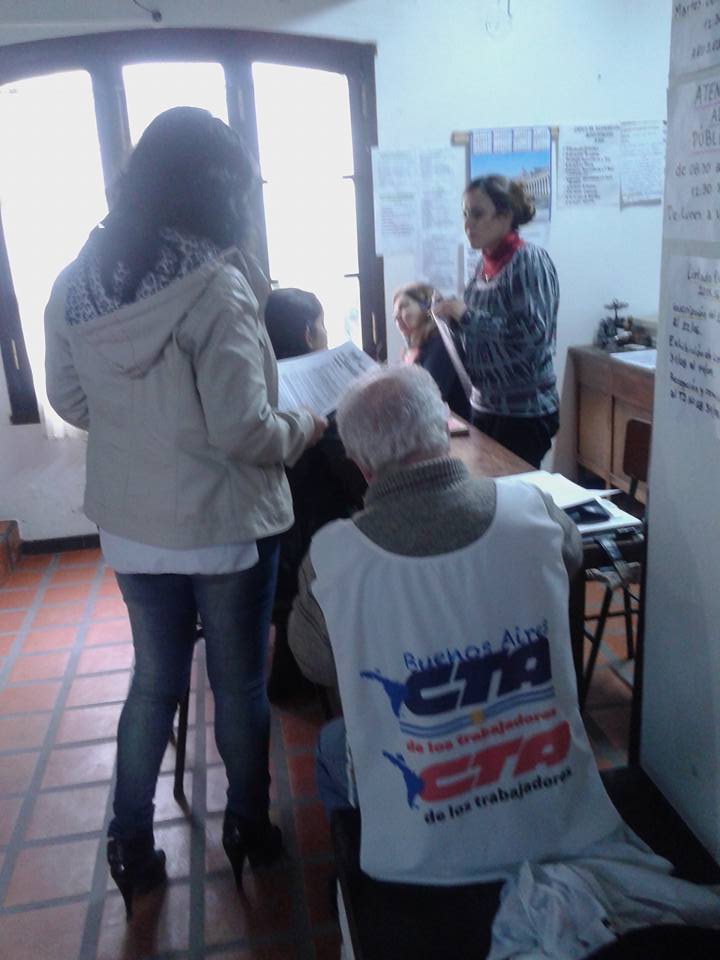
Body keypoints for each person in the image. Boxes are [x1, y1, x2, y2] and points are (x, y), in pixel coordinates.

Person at [288, 365, 720, 950]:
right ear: (443, 431)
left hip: (422, 843)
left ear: (361, 466)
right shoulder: (535, 512)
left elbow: (313, 662)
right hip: (549, 798)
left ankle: (350, 893)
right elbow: (568, 561)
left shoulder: (333, 558)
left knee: (332, 746)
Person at [44, 107, 327, 917]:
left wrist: (143, 434)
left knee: (153, 683)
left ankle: (129, 842)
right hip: (222, 527)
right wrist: (306, 427)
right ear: (216, 190)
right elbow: (245, 431)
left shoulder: (78, 279)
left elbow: (68, 398)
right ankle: (249, 828)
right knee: (238, 686)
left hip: (132, 528)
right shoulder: (215, 283)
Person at [264, 288, 366, 700]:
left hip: (265, 543)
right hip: (312, 548)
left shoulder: (252, 389)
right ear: (309, 334)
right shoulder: (324, 395)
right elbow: (357, 479)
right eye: (322, 326)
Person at [433, 175, 559, 467]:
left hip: (523, 413)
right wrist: (452, 323)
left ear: (505, 216)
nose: (468, 224)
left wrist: (466, 316)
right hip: (487, 406)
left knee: (512, 485)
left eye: (477, 214)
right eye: (465, 214)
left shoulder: (528, 261)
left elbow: (533, 337)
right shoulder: (483, 265)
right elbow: (481, 331)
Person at [393, 282, 470, 420]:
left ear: (427, 306)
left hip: (454, 423)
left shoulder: (440, 342)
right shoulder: (416, 347)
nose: (397, 315)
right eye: (395, 312)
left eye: (403, 306)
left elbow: (431, 395)